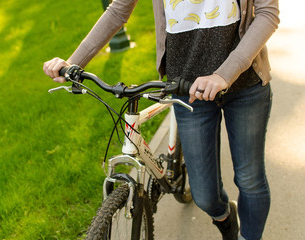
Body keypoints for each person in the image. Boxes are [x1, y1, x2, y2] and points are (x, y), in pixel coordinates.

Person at [43, 0, 280, 239]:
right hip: (187, 90)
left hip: (245, 84)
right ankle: (224, 217)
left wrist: (224, 74)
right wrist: (73, 62)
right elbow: (118, 10)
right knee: (205, 196)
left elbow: (267, 13)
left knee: (250, 179)